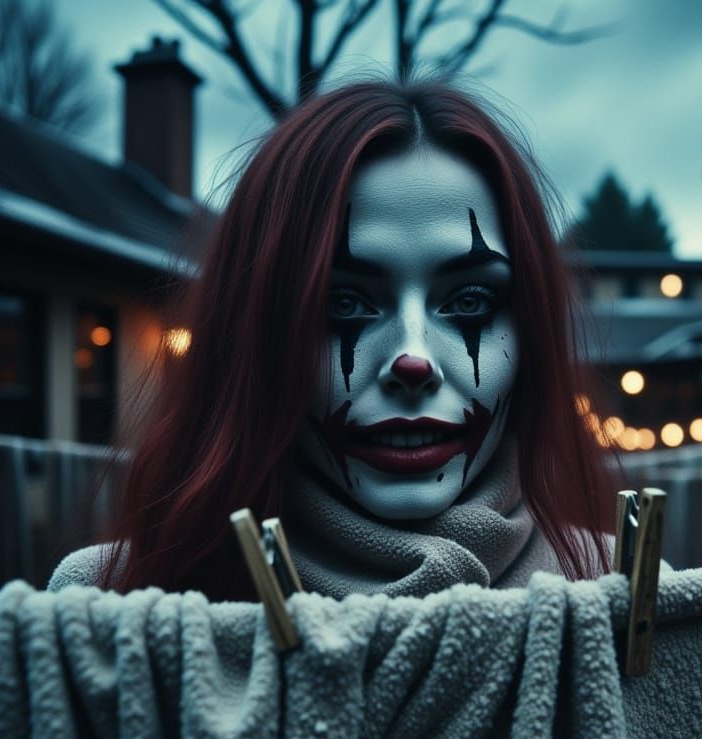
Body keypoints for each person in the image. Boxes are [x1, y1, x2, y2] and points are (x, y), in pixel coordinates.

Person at [49, 79, 617, 602]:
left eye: (469, 302)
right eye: (341, 303)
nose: (412, 360)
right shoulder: (108, 602)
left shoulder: (623, 593)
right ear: (254, 335)